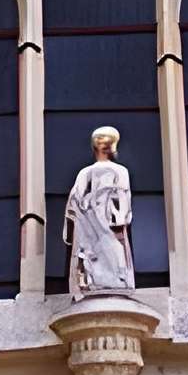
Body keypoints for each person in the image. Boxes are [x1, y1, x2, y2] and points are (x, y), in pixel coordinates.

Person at [64, 125, 135, 297]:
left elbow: (72, 204)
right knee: (114, 259)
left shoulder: (84, 173)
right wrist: (120, 217)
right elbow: (123, 210)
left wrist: (69, 231)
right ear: (113, 148)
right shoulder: (120, 172)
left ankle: (90, 282)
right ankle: (115, 283)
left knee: (91, 260)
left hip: (88, 234)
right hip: (109, 232)